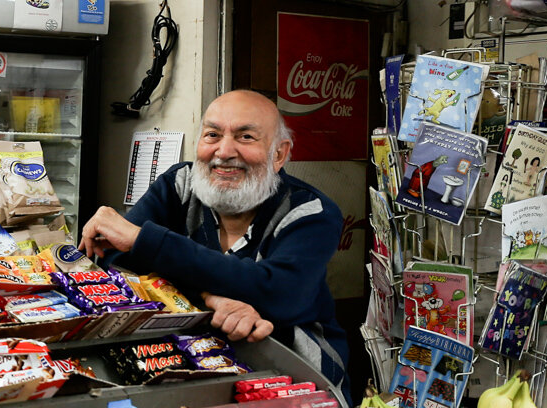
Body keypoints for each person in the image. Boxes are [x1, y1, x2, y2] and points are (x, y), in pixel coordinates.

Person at [78, 89, 348, 391]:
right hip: (193, 370)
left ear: (279, 154)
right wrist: (211, 298)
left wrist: (150, 246)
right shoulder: (180, 184)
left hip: (298, 382)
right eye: (212, 135)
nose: (224, 152)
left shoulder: (310, 211)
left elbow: (278, 293)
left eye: (246, 137)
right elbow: (113, 260)